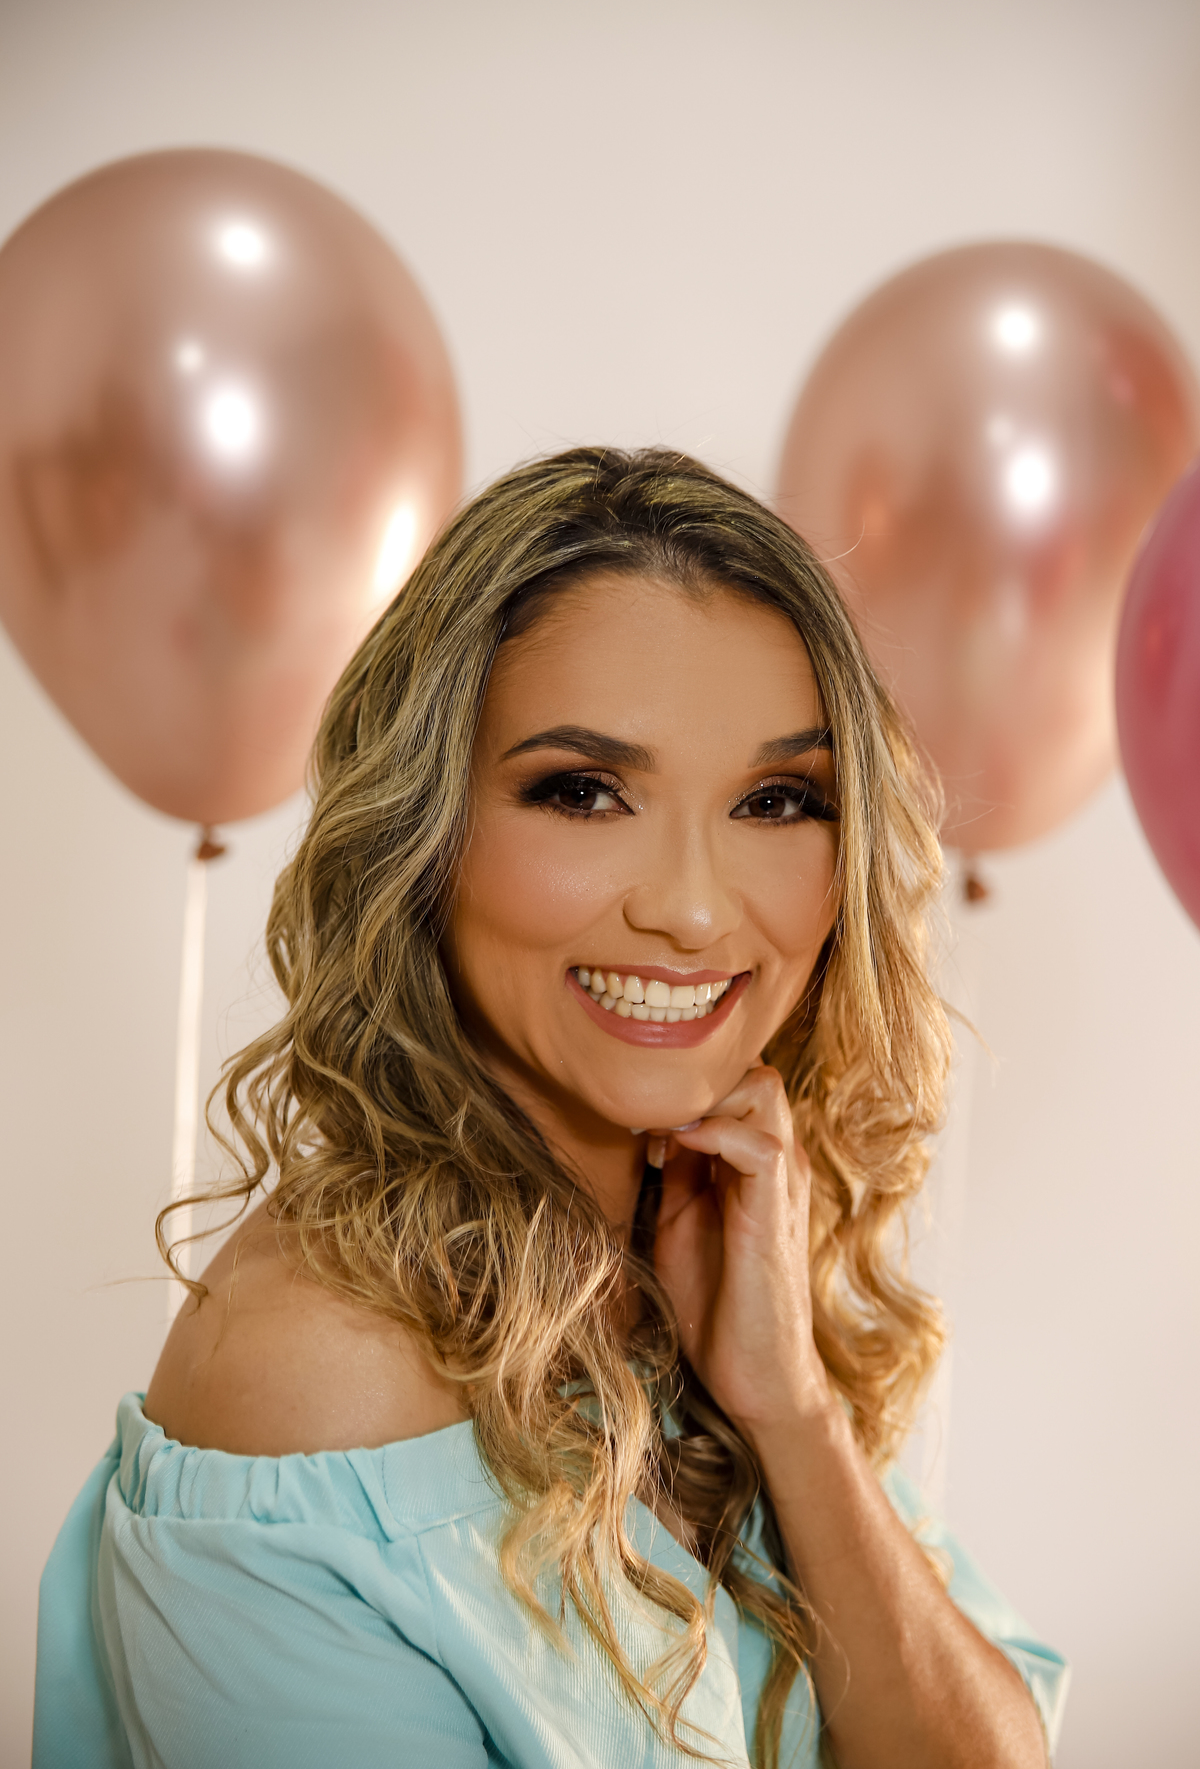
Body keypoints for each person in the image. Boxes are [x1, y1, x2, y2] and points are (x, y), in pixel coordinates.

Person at [34, 448, 1067, 1769]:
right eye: (583, 792)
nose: (691, 909)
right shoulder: (316, 1378)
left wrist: (792, 1413)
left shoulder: (688, 1258)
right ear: (426, 832)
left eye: (775, 801)